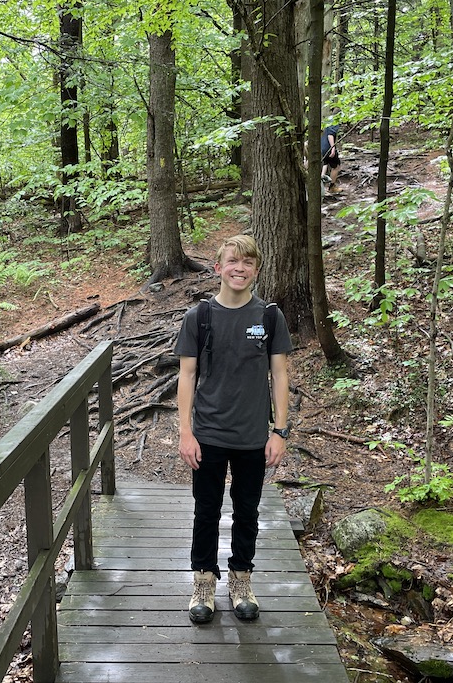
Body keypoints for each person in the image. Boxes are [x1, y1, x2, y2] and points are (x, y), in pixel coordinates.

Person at [174, 235, 293, 624]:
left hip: (252, 436)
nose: (239, 268)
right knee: (206, 511)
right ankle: (203, 581)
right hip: (207, 432)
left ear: (256, 270)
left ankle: (241, 578)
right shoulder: (200, 317)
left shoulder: (270, 317)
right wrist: (185, 432)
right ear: (218, 268)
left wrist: (280, 430)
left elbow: (279, 373)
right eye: (232, 261)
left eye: (247, 263)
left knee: (247, 510)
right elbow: (187, 375)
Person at [322, 124, 341, 193]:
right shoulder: (335, 122)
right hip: (328, 148)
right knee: (336, 166)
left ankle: (322, 187)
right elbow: (330, 135)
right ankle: (331, 187)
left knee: (325, 163)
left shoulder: (327, 122)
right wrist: (333, 148)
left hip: (322, 147)